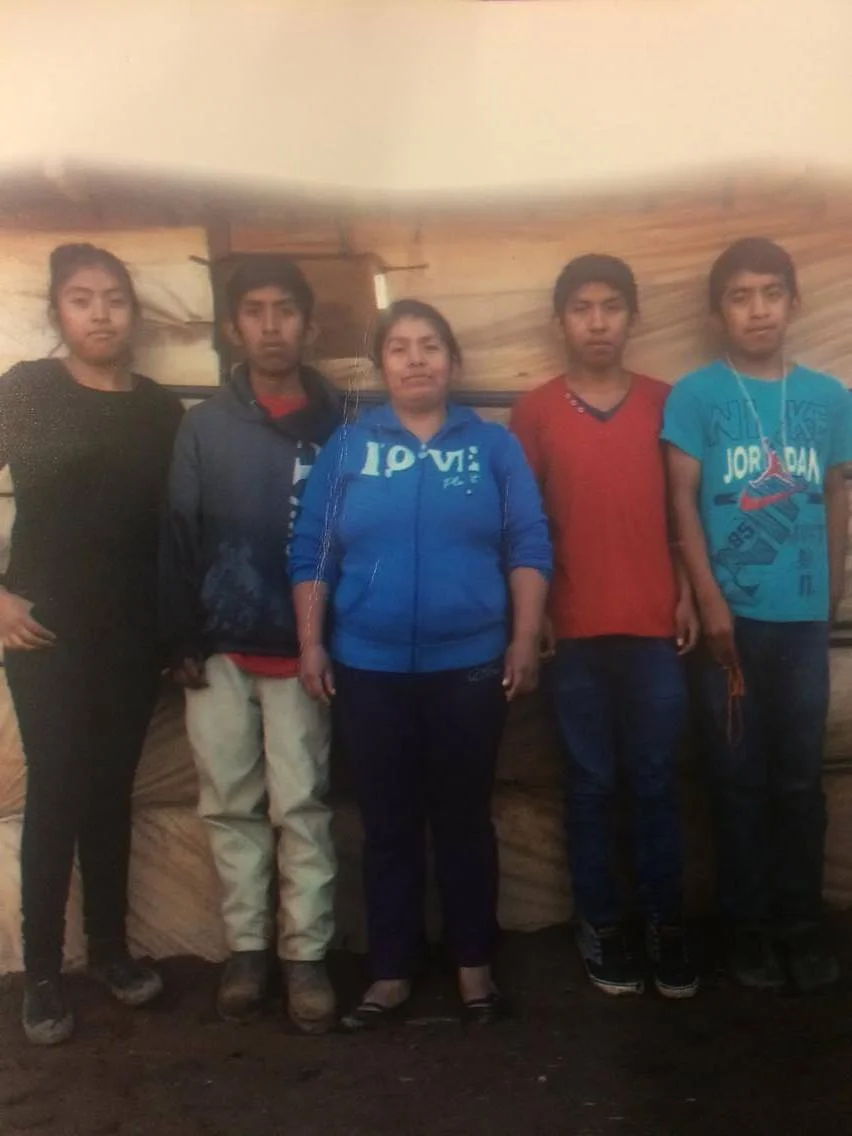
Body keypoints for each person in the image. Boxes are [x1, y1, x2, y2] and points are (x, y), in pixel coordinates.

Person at [290, 299, 551, 1029]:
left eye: (429, 345)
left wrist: (524, 637)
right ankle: (391, 970)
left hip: (470, 667)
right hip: (368, 668)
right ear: (381, 366)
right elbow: (313, 549)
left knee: (465, 818)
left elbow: (529, 543)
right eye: (399, 347)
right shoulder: (349, 447)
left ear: (453, 361)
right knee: (388, 823)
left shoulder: (493, 446)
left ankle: (474, 965)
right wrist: (311, 641)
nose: (414, 359)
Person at [0, 243, 183, 1045]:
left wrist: (175, 630)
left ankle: (110, 950)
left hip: (132, 632)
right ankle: (43, 972)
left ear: (133, 312)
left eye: (114, 298)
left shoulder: (158, 410)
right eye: (82, 299)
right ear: (57, 311)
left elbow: (174, 528)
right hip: (45, 629)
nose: (101, 313)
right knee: (58, 788)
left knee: (111, 789)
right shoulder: (29, 391)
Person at [663, 237, 852, 993]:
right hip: (729, 626)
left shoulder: (830, 398)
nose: (758, 310)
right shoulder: (695, 395)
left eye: (772, 293)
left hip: (802, 623)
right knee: (736, 779)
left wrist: (830, 593)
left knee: (799, 782)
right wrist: (710, 601)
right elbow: (680, 501)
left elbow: (835, 493)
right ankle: (744, 928)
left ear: (794, 301)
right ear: (719, 312)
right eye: (740, 296)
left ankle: (798, 925)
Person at [511, 255, 700, 999]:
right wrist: (533, 614)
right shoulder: (535, 412)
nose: (597, 322)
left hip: (655, 626)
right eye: (582, 308)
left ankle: (664, 921)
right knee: (590, 784)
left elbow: (684, 511)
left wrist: (686, 592)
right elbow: (523, 525)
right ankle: (602, 921)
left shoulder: (665, 402)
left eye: (611, 306)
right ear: (560, 320)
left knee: (656, 780)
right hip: (574, 631)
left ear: (633, 316)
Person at [161, 256, 342, 1033]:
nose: (272, 326)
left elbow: (352, 534)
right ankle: (246, 951)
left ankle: (306, 955)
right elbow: (177, 529)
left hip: (305, 647)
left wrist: (335, 635)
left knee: (302, 802)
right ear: (234, 327)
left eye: (286, 310)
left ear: (309, 324)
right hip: (222, 643)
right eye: (256, 311)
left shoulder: (339, 422)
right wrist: (180, 634)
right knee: (230, 803)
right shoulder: (204, 425)